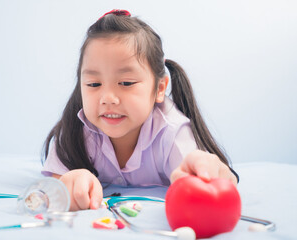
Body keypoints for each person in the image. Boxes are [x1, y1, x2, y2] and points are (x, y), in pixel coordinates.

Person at [41, 9, 239, 211]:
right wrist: (68, 183)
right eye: (93, 84)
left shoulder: (171, 133)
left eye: (126, 83)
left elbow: (197, 180)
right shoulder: (77, 129)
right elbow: (51, 188)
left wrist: (205, 172)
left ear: (159, 88)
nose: (108, 98)